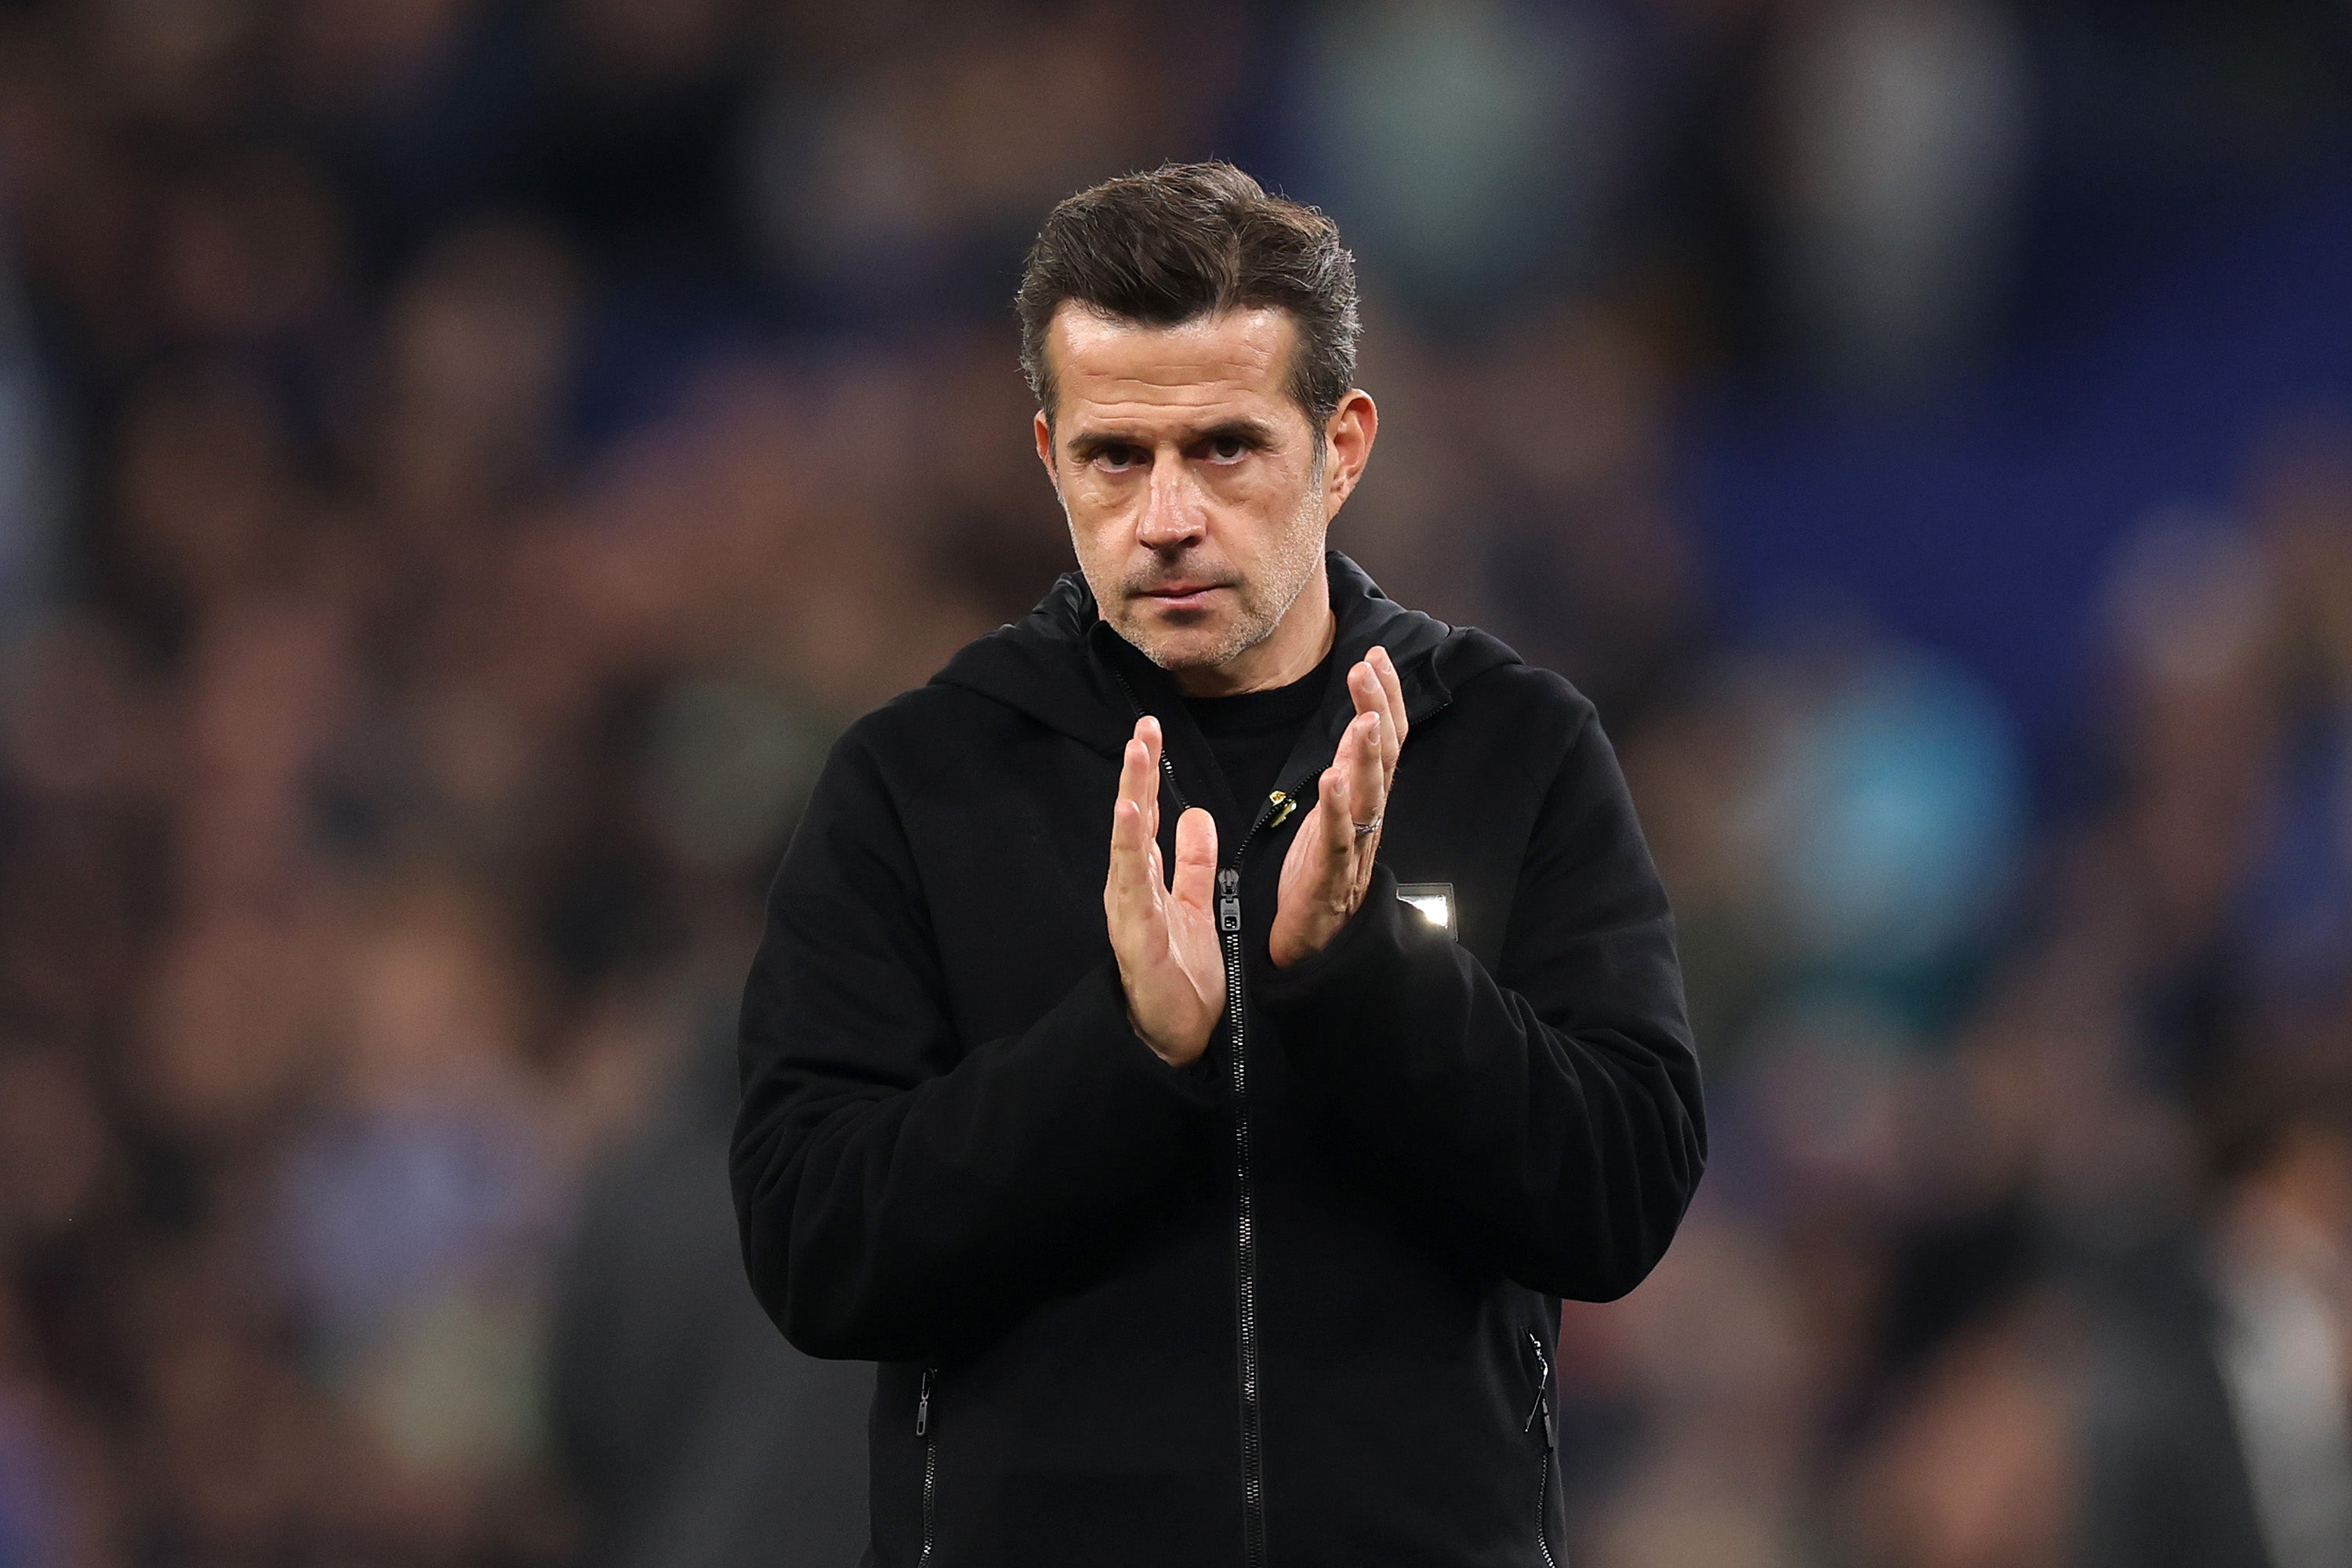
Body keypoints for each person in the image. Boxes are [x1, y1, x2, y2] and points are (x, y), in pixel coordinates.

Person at [732, 161, 1705, 1568]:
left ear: (1343, 445)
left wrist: (1364, 975)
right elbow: (813, 1249)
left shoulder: (1512, 749)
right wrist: (1125, 1053)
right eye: (1115, 457)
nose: (1168, 515)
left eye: (1227, 448)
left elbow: (1620, 1197)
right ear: (1047, 456)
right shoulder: (918, 782)